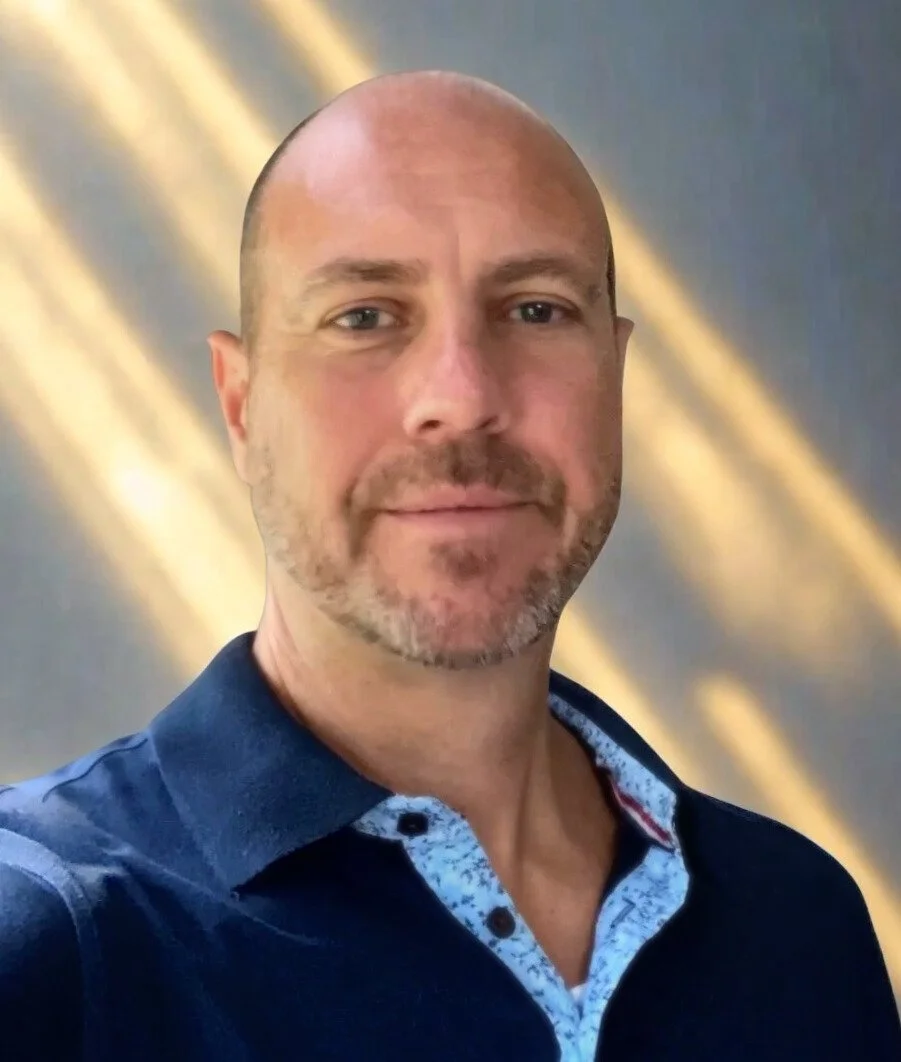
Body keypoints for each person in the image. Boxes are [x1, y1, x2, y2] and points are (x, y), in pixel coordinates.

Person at [1, 70, 898, 1062]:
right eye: (366, 317)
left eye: (537, 310)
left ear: (615, 373)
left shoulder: (800, 928)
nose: (462, 397)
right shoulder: (43, 946)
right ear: (242, 403)